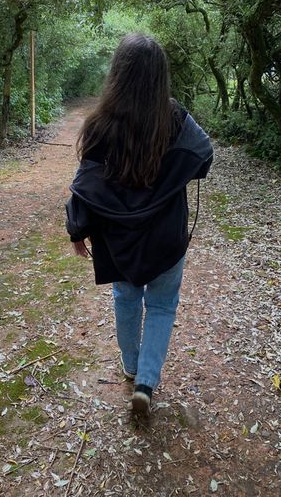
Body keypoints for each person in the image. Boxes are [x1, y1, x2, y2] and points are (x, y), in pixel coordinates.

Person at [65, 33, 213, 416]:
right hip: (167, 238)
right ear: (160, 77)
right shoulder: (176, 117)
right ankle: (146, 382)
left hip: (119, 239)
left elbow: (85, 183)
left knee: (126, 298)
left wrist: (77, 229)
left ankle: (130, 368)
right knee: (162, 306)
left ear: (118, 73)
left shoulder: (99, 125)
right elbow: (204, 156)